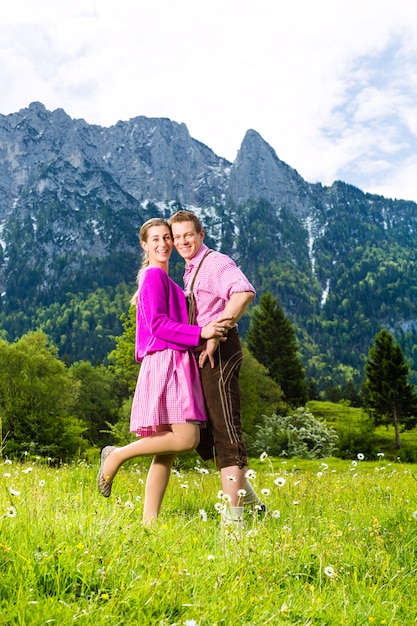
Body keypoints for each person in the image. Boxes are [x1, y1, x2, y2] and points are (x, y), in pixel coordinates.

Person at [97, 218, 230, 524]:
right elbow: (158, 325)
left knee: (165, 450)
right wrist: (202, 333)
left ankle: (149, 522)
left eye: (167, 237)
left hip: (171, 360)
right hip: (166, 361)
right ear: (144, 245)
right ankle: (116, 454)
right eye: (155, 239)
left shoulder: (168, 281)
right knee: (186, 439)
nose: (163, 244)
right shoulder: (154, 277)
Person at [169, 210, 265, 528]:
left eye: (188, 235)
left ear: (202, 234)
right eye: (177, 236)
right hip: (201, 353)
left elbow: (243, 292)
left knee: (226, 432)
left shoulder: (215, 263)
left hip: (219, 352)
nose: (183, 241)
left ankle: (233, 525)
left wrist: (218, 331)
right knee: (203, 435)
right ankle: (252, 504)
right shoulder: (191, 269)